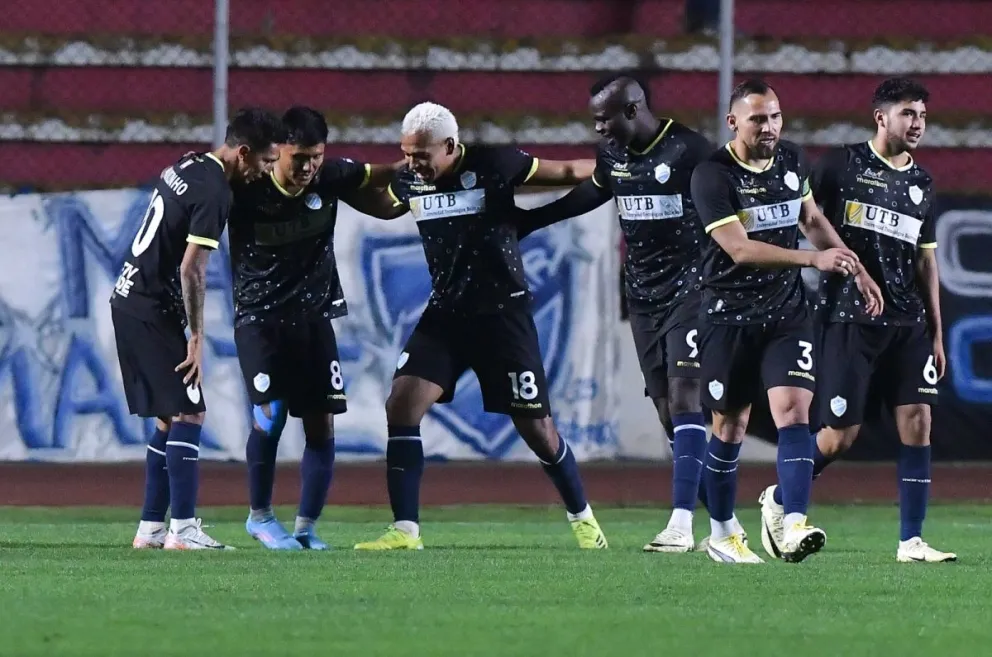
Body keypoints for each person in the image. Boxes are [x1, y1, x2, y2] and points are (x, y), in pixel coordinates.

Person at [347, 101, 609, 550]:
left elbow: (565, 171)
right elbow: (386, 209)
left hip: (503, 316)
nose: (413, 164)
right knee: (402, 403)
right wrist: (341, 182)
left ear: (451, 146)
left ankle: (583, 518)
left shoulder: (496, 164)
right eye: (407, 154)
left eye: (421, 154)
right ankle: (405, 530)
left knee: (539, 432)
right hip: (446, 315)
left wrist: (617, 173)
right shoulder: (412, 178)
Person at [758, 78, 956, 563]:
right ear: (881, 117)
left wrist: (936, 328)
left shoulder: (921, 183)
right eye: (909, 113)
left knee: (918, 421)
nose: (918, 124)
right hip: (847, 318)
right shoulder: (839, 166)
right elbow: (805, 220)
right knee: (840, 434)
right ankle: (779, 500)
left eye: (923, 116)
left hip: (906, 321)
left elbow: (926, 261)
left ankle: (911, 540)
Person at [516, 73, 715, 553]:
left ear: (633, 109)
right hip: (643, 298)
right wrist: (531, 220)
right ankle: (726, 524)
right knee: (669, 412)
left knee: (687, 398)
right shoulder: (614, 157)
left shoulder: (691, 151)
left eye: (605, 118)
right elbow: (592, 194)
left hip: (693, 290)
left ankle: (681, 526)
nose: (599, 128)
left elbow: (727, 208)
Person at [690, 79, 885, 563]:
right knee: (729, 427)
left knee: (796, 415)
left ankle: (793, 520)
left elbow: (810, 219)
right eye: (758, 118)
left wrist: (851, 265)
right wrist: (810, 262)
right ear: (733, 122)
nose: (770, 127)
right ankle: (721, 534)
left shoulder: (793, 160)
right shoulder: (712, 175)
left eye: (775, 116)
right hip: (728, 316)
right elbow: (738, 248)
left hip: (785, 314)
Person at [229, 106, 400, 550]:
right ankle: (260, 517)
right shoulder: (246, 187)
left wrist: (414, 172)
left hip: (314, 319)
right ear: (276, 152)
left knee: (321, 425)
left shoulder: (330, 177)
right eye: (298, 157)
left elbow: (376, 176)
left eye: (316, 157)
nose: (307, 167)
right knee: (269, 417)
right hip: (259, 320)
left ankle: (306, 528)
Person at [114, 107, 284, 550]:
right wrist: (196, 335)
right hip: (152, 305)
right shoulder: (216, 193)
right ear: (243, 153)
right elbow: (193, 268)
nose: (267, 172)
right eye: (266, 162)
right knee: (191, 413)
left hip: (130, 297)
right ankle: (184, 529)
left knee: (171, 417)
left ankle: (152, 528)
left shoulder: (186, 165)